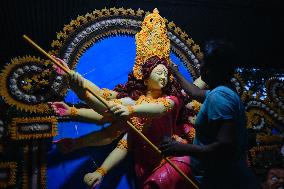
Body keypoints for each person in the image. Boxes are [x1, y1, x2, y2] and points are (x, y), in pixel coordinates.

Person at [51, 9, 197, 189]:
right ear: (144, 77)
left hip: (174, 160)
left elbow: (161, 109)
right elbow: (105, 108)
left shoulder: (171, 98)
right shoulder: (132, 103)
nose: (163, 77)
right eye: (159, 72)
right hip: (145, 170)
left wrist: (130, 110)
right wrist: (75, 82)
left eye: (166, 74)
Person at [160, 40, 260, 189]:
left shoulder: (220, 97)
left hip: (226, 182)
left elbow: (224, 147)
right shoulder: (223, 91)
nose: (200, 66)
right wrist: (175, 72)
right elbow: (194, 92)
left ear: (211, 69)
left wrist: (181, 148)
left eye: (203, 63)